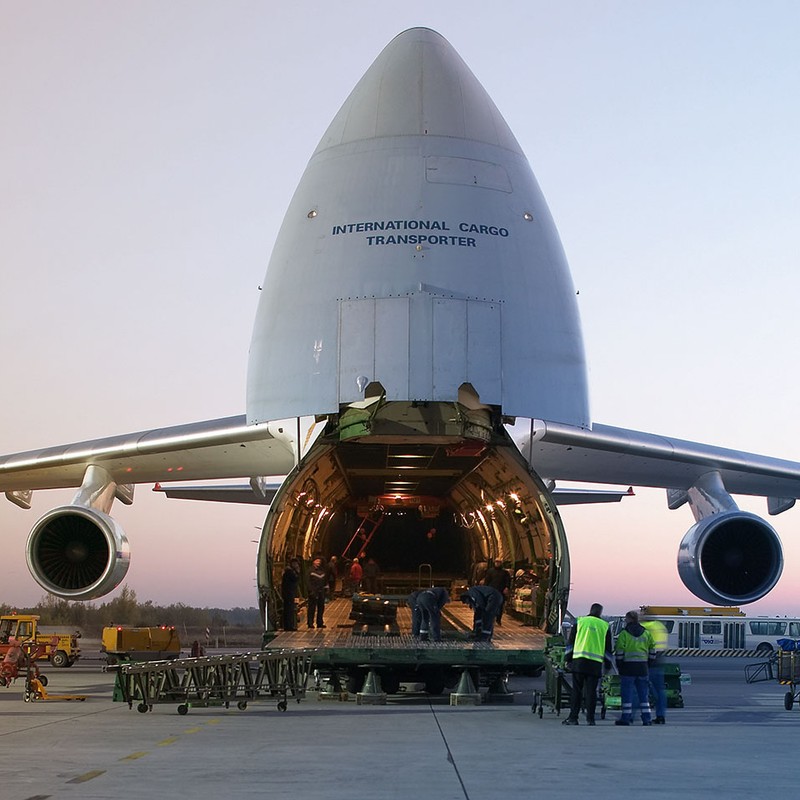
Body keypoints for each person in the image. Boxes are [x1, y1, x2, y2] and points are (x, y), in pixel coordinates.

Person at [562, 603, 613, 726]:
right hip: (595, 664)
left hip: (579, 662)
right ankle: (591, 719)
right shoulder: (605, 626)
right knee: (591, 692)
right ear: (600, 612)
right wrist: (608, 665)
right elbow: (608, 649)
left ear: (590, 610)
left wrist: (567, 659)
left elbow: (571, 643)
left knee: (577, 691)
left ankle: (573, 718)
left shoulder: (580, 622)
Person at [614, 610, 655, 726]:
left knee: (627, 695)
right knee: (644, 695)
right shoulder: (646, 633)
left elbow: (619, 652)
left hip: (628, 668)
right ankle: (647, 719)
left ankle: (626, 718)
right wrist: (648, 664)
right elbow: (653, 651)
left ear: (629, 619)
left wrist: (619, 666)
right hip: (643, 668)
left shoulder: (624, 634)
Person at [641, 617, 668, 724]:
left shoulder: (645, 627)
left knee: (640, 690)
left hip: (646, 662)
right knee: (660, 692)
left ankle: (631, 716)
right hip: (659, 661)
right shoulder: (660, 626)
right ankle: (660, 715)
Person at [483, 558, 511, 625]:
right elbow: (487, 580)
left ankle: (498, 619)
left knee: (500, 605)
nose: (497, 563)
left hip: (501, 591)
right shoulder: (490, 571)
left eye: (499, 562)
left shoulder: (505, 572)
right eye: (496, 562)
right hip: (492, 591)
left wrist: (507, 588)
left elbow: (508, 581)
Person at [307, 556, 328, 629]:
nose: (318, 562)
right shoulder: (310, 571)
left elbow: (325, 581)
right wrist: (310, 591)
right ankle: (310, 623)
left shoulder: (322, 571)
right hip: (313, 592)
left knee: (321, 608)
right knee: (312, 608)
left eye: (319, 561)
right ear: (313, 562)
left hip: (321, 592)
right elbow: (308, 582)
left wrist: (326, 589)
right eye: (317, 561)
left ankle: (320, 622)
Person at [281, 557, 301, 631]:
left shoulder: (287, 571)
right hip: (289, 593)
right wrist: (297, 571)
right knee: (289, 610)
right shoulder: (289, 572)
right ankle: (289, 626)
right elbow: (295, 578)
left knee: (288, 610)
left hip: (288, 593)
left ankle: (288, 626)